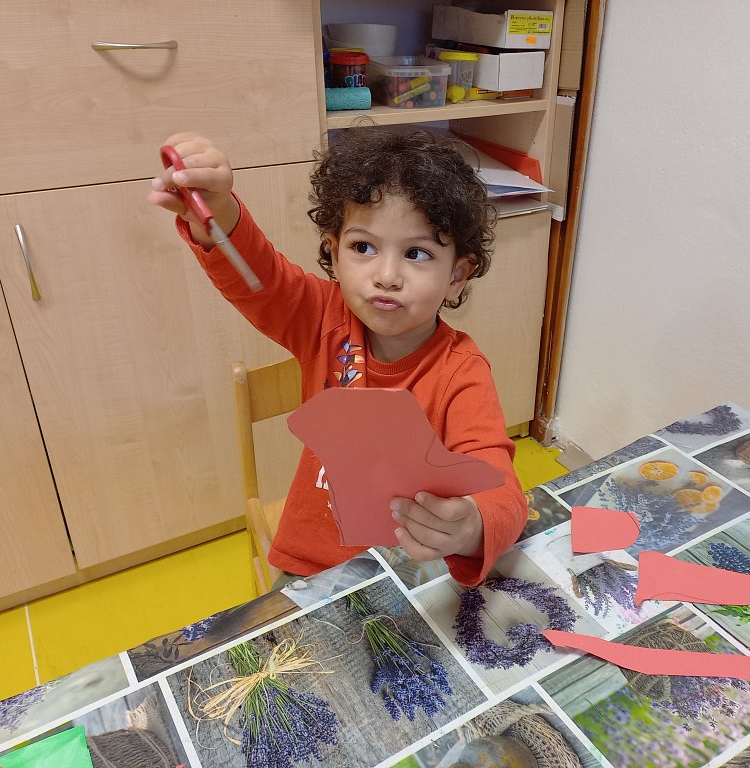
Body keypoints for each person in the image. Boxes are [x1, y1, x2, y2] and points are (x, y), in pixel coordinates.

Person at [148, 128, 528, 586]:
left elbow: (501, 487)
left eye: (417, 253)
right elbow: (258, 277)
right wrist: (218, 212)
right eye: (363, 247)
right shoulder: (322, 319)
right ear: (334, 250)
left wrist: (472, 525)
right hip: (310, 564)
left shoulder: (461, 370)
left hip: (409, 572)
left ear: (457, 276)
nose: (386, 275)